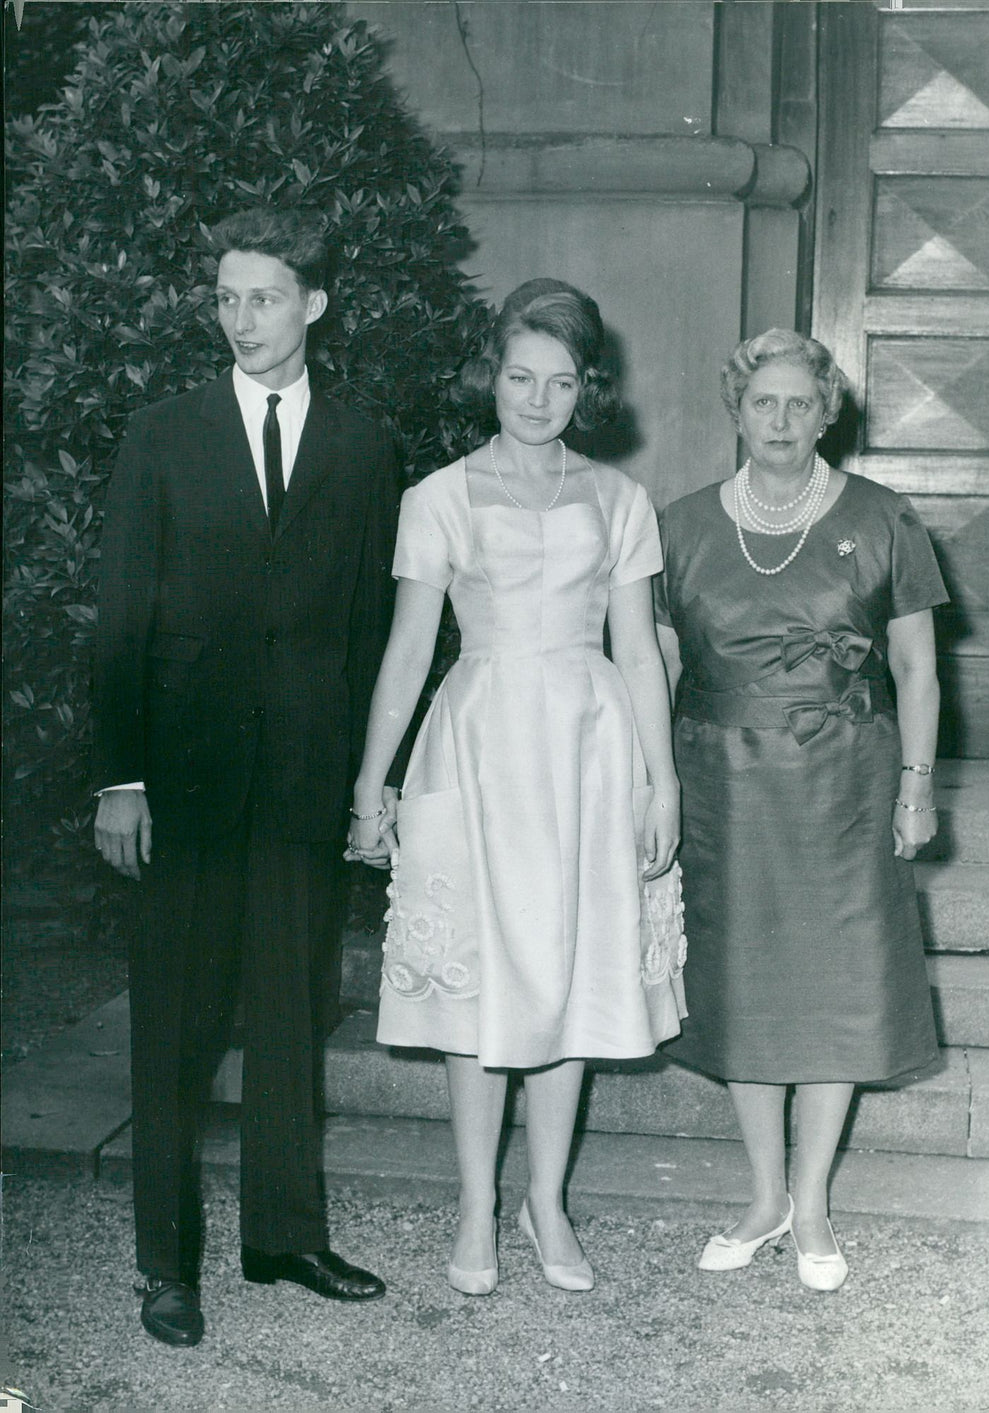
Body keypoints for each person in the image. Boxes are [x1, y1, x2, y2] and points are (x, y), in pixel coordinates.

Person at [93, 207, 399, 1347]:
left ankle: (283, 1236)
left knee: (288, 1010)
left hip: (305, 779)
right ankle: (167, 1264)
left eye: (263, 297)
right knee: (173, 1026)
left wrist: (369, 782)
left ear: (313, 304)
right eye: (226, 298)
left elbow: (371, 627)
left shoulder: (364, 444)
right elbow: (122, 617)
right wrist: (121, 778)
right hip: (184, 778)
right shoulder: (162, 434)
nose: (241, 318)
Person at [347, 279, 687, 1296]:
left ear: (588, 389)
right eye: (520, 377)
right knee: (482, 982)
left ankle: (547, 1202)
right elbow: (409, 651)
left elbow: (638, 649)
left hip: (590, 751)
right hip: (479, 748)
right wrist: (371, 782)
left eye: (561, 382)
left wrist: (660, 781)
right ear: (489, 377)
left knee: (573, 971)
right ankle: (474, 1205)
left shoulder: (620, 500)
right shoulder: (438, 497)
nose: (538, 400)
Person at [656, 328, 947, 1291]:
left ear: (828, 413)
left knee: (835, 982)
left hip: (847, 782)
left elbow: (916, 665)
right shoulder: (682, 524)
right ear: (736, 411)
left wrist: (916, 785)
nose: (780, 420)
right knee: (741, 984)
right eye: (762, 403)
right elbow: (657, 667)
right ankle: (765, 1195)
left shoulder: (884, 516)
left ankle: (814, 1201)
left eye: (799, 403)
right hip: (723, 782)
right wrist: (648, 784)